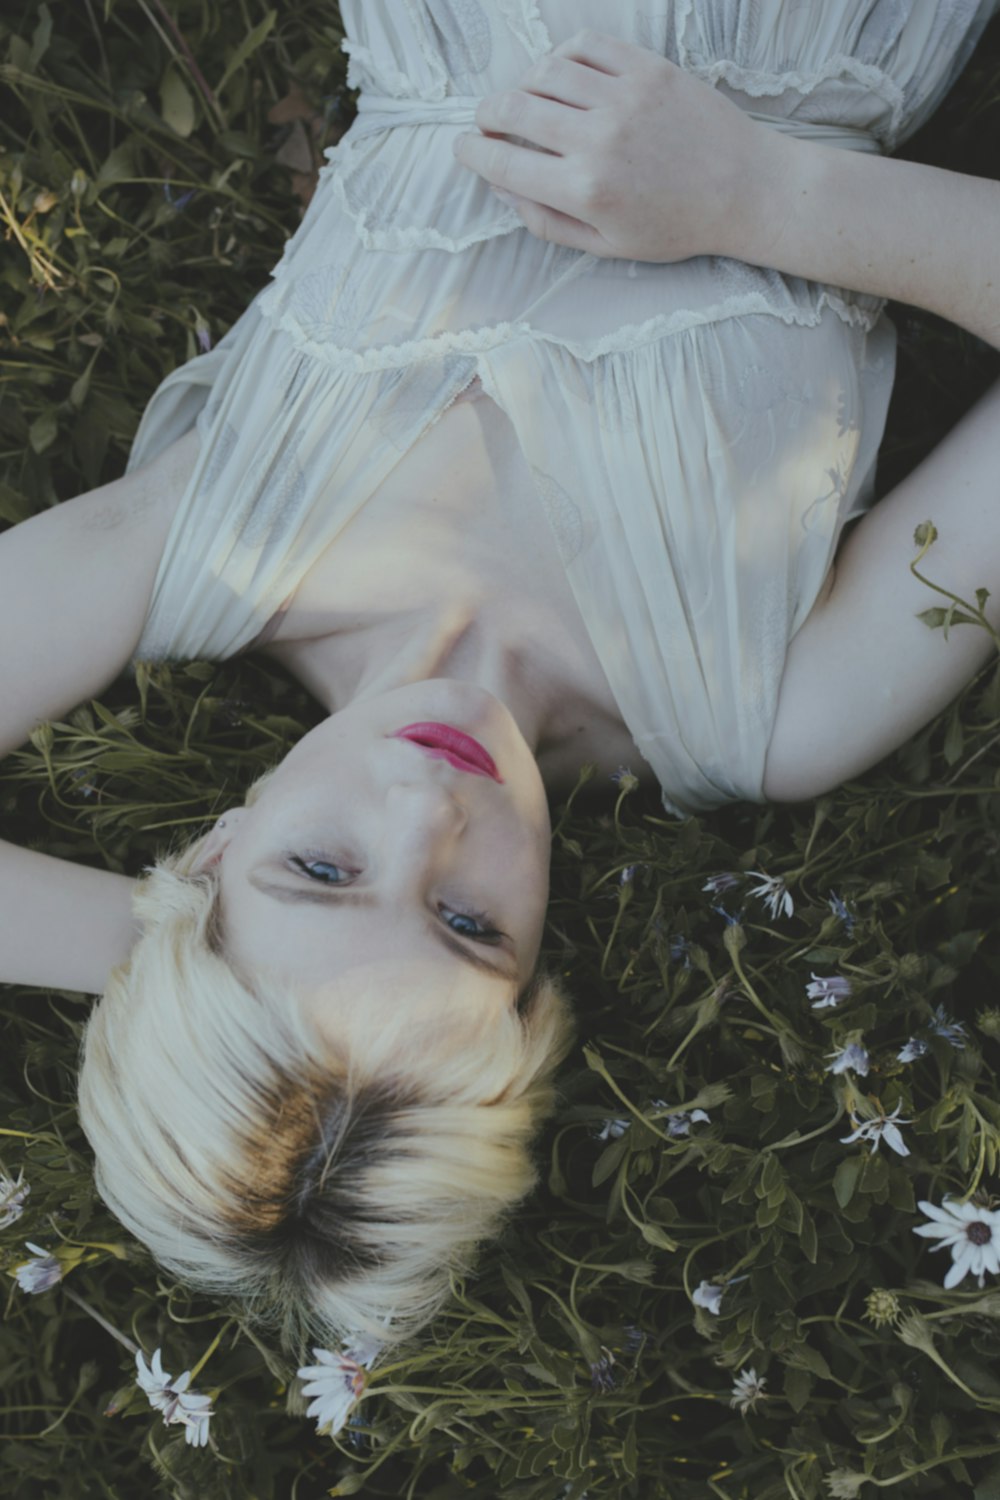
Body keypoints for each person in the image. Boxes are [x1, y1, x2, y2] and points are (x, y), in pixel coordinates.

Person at [3, 3, 1000, 1369]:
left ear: (215, 848)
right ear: (535, 975)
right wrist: (762, 195)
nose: (428, 809)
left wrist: (173, 955)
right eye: (470, 925)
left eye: (322, 872)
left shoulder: (199, 541)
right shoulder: (775, 712)